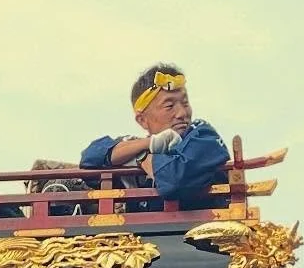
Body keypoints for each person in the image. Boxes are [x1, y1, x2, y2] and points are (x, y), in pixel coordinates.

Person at [79, 63, 229, 208]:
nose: (182, 113)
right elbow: (90, 158)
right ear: (142, 120)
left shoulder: (203, 136)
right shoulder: (137, 145)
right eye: (169, 106)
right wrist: (147, 145)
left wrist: (141, 157)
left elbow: (174, 179)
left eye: (185, 103)